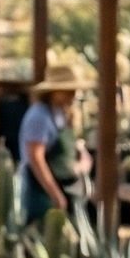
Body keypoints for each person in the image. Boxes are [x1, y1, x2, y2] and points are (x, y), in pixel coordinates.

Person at [17, 59, 90, 226]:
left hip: (67, 188)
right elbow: (36, 159)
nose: (73, 95)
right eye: (67, 90)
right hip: (42, 193)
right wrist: (56, 195)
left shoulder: (62, 114)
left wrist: (82, 160)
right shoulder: (39, 116)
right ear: (53, 91)